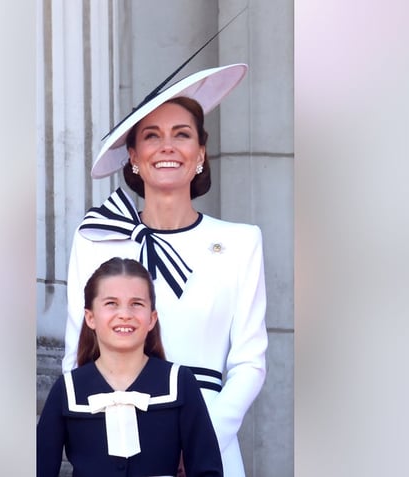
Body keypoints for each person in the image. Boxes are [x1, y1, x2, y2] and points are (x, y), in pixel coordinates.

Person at [63, 64, 267, 477]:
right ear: (134, 157)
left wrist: (200, 440)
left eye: (182, 134)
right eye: (152, 136)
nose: (167, 146)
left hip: (210, 441)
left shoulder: (242, 242)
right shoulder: (95, 240)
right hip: (118, 440)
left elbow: (250, 363)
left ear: (200, 152)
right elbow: (77, 357)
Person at [39, 257, 222, 477]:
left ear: (152, 318)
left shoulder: (179, 382)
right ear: (90, 317)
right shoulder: (67, 390)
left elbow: (207, 470)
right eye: (111, 303)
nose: (125, 314)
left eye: (137, 303)